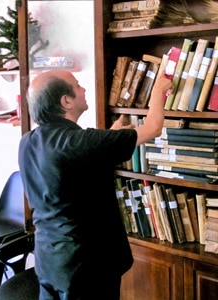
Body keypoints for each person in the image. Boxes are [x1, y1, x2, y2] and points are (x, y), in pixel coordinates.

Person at [18, 69, 173, 300]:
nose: (84, 89)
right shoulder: (81, 142)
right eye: (78, 85)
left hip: (49, 258)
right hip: (87, 266)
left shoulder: (28, 141)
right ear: (66, 101)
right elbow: (152, 128)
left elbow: (72, 164)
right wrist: (158, 93)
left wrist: (110, 136)